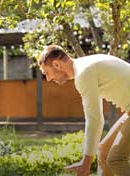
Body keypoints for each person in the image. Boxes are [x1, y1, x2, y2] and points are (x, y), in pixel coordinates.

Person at [38, 44, 130, 176]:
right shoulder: (85, 66)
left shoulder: (83, 73)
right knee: (103, 150)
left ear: (57, 65)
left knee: (116, 159)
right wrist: (86, 161)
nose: (48, 79)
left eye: (47, 73)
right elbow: (97, 118)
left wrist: (85, 164)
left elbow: (94, 120)